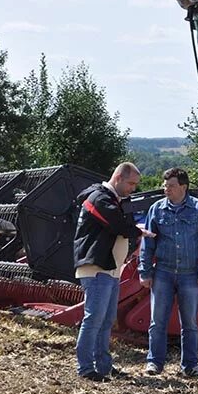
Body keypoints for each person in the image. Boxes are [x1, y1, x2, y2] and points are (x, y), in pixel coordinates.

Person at [74, 162, 154, 382]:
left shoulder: (111, 200)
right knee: (94, 318)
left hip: (109, 269)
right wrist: (138, 232)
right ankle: (85, 368)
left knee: (107, 319)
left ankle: (104, 366)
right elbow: (117, 225)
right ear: (118, 177)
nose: (133, 189)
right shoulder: (99, 199)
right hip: (97, 268)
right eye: (131, 183)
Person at [138, 168, 198, 377]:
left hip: (190, 273)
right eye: (165, 186)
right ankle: (154, 363)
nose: (166, 189)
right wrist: (144, 271)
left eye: (170, 186)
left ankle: (190, 365)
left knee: (189, 322)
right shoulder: (157, 209)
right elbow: (148, 242)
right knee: (157, 321)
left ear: (183, 187)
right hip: (162, 271)